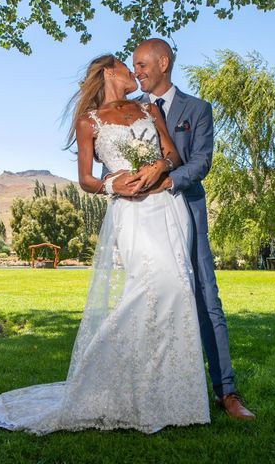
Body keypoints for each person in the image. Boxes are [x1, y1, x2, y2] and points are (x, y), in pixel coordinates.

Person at [0, 54, 210, 434]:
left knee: (178, 290)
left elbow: (171, 153)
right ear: (109, 72)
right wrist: (110, 184)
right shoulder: (88, 122)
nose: (134, 73)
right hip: (131, 212)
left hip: (168, 209)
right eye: (127, 67)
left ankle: (170, 397)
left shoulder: (149, 109)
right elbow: (86, 179)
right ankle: (97, 377)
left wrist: (160, 166)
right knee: (151, 287)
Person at [105, 38, 255, 420]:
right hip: (143, 221)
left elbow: (202, 162)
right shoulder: (131, 111)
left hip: (186, 210)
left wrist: (167, 179)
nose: (136, 71)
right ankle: (148, 386)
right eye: (133, 66)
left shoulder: (198, 109)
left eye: (141, 65)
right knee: (147, 296)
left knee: (206, 297)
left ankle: (227, 392)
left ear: (163, 63)